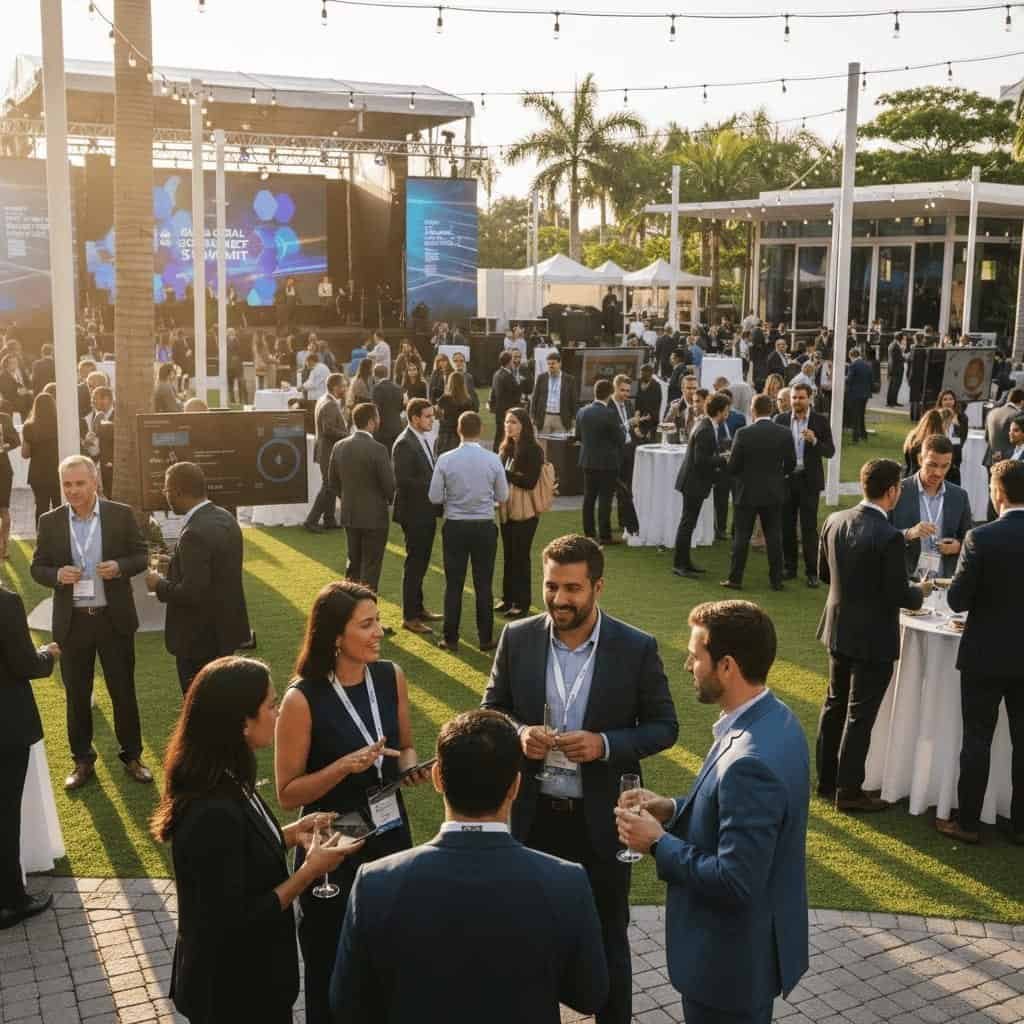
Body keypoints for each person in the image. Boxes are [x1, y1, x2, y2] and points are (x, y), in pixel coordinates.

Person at [481, 534, 678, 1024]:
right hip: (532, 820)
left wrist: (605, 744)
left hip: (601, 824)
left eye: (572, 588)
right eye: (551, 586)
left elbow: (664, 726)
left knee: (609, 936)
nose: (559, 599)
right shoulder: (518, 637)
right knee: (527, 940)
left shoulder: (635, 647)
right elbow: (492, 709)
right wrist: (520, 732)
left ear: (597, 587)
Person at [329, 709, 609, 1024]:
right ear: (515, 786)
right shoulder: (566, 881)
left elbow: (348, 1004)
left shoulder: (375, 882)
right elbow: (590, 995)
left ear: (437, 778)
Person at [615, 600, 809, 1024]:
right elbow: (732, 816)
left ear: (726, 666)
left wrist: (657, 843)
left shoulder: (749, 760)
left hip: (727, 967)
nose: (687, 664)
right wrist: (670, 809)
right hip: (747, 955)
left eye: (696, 655)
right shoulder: (776, 720)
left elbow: (736, 879)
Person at [152, 656, 360, 1024]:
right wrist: (310, 872)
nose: (278, 714)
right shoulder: (209, 808)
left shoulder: (228, 774)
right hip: (233, 994)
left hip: (251, 982)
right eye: (270, 705)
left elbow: (237, 853)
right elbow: (237, 919)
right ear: (240, 722)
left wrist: (291, 834)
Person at [274, 581, 432, 1024]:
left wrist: (411, 769)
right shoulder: (301, 698)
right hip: (333, 844)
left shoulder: (390, 675)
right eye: (367, 624)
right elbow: (287, 795)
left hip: (391, 830)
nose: (379, 631)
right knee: (331, 963)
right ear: (335, 636)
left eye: (378, 620)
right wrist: (343, 767)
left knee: (390, 952)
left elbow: (406, 746)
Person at [31, 455, 152, 790]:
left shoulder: (120, 514)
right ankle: (82, 760)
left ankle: (132, 756)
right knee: (77, 695)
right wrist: (56, 575)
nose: (73, 491)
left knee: (123, 692)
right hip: (74, 623)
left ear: (94, 481)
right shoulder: (50, 521)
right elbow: (37, 566)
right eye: (67, 485)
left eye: (79, 483)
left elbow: (141, 555)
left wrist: (120, 567)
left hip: (113, 620)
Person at [816, 459, 931, 811]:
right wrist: (921, 591)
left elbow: (823, 574)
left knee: (835, 704)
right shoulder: (889, 536)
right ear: (892, 490)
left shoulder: (834, 520)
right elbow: (900, 594)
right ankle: (848, 791)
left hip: (838, 628)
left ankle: (827, 780)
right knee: (859, 714)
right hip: (873, 636)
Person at [941, 459, 1024, 845]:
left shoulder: (981, 537)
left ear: (997, 493)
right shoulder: (981, 536)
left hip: (985, 655)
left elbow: (957, 600)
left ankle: (968, 822)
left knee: (977, 739)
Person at [146, 462, 251, 693]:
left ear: (178, 492)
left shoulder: (193, 533)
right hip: (226, 629)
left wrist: (159, 585)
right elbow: (217, 569)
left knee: (199, 706)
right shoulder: (225, 517)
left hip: (198, 639)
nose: (165, 496)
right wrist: (174, 564)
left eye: (166, 490)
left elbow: (192, 593)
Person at [0, 584, 60, 930]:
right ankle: (10, 900)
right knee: (5, 813)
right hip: (5, 725)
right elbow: (25, 664)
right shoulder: (5, 601)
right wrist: (48, 653)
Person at [429, 411, 508, 653]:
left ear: (458, 430)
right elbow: (503, 495)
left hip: (455, 524)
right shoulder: (493, 459)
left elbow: (433, 496)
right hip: (483, 525)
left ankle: (450, 637)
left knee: (454, 583)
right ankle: (485, 638)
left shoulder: (445, 459)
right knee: (483, 584)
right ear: (481, 430)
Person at [722, 394, 796, 592]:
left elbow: (733, 466)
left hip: (746, 492)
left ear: (753, 410)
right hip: (773, 492)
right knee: (774, 536)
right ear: (771, 410)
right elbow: (791, 464)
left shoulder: (743, 433)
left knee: (741, 537)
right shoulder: (784, 433)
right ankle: (776, 580)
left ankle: (735, 578)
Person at [330, 403, 395, 601]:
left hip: (350, 514)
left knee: (353, 565)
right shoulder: (378, 449)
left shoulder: (339, 446)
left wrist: (347, 498)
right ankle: (368, 618)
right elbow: (389, 485)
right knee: (371, 570)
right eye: (377, 418)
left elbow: (332, 482)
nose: (379, 421)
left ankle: (349, 615)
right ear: (371, 422)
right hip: (374, 517)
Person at [774, 383, 835, 588]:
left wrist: (815, 441)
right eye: (794, 398)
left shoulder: (820, 421)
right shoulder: (780, 420)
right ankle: (789, 567)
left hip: (809, 482)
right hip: (787, 480)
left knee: (809, 528)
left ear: (809, 399)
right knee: (786, 526)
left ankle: (812, 572)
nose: (796, 401)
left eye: (801, 398)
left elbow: (830, 451)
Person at [392, 398, 443, 635]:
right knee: (415, 562)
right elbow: (403, 481)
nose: (432, 420)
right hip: (414, 512)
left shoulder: (420, 438)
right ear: (415, 418)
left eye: (432, 416)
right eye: (428, 416)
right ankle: (410, 616)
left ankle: (418, 608)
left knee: (421, 561)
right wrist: (434, 484)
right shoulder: (404, 443)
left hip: (425, 510)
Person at [891, 434, 972, 579]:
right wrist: (909, 534)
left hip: (944, 582)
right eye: (932, 465)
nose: (938, 473)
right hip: (905, 582)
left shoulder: (959, 496)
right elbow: (880, 534)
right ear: (920, 460)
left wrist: (958, 546)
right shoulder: (898, 491)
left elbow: (969, 539)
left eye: (945, 466)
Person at [672, 393, 730, 578]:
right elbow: (701, 460)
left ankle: (685, 562)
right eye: (727, 410)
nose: (728, 413)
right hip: (694, 483)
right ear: (720, 411)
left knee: (689, 523)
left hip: (693, 482)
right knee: (687, 524)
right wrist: (723, 459)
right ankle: (679, 564)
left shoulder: (705, 425)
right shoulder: (706, 429)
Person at [496, 407, 545, 619]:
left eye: (514, 422)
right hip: (507, 507)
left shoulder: (534, 449)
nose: (509, 426)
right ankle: (507, 598)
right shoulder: (506, 447)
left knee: (521, 555)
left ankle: (521, 602)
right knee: (509, 554)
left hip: (526, 510)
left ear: (524, 425)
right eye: (507, 422)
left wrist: (505, 473)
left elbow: (530, 481)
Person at [576, 379, 625, 547]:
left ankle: (589, 534)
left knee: (589, 498)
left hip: (588, 461)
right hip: (607, 463)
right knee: (605, 499)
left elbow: (578, 436)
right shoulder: (610, 414)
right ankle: (605, 535)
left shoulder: (582, 412)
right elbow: (620, 439)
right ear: (610, 393)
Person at [305, 374, 349, 533]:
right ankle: (311, 521)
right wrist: (348, 436)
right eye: (343, 385)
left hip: (326, 451)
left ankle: (329, 520)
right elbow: (328, 430)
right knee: (329, 487)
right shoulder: (329, 404)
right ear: (335, 387)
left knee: (331, 486)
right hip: (328, 452)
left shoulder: (323, 400)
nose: (345, 388)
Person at [608, 374, 641, 539]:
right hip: (614, 451)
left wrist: (636, 431)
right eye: (622, 390)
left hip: (628, 449)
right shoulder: (607, 405)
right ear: (615, 388)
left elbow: (629, 428)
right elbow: (614, 429)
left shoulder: (628, 403)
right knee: (618, 489)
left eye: (628, 391)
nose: (626, 394)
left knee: (627, 487)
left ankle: (624, 522)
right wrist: (630, 423)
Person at [21, 391, 60, 522]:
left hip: (38, 474)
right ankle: (61, 539)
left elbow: (25, 454)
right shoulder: (60, 425)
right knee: (59, 507)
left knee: (41, 508)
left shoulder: (29, 427)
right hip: (57, 471)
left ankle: (41, 538)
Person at [530, 351, 576, 435]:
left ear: (560, 364)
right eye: (548, 364)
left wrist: (573, 418)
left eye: (553, 363)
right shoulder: (541, 378)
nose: (550, 366)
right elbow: (534, 398)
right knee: (543, 445)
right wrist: (532, 416)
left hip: (562, 418)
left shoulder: (569, 380)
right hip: (544, 418)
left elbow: (573, 400)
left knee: (560, 446)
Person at [435, 369, 475, 457]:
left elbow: (437, 414)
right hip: (460, 433)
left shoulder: (445, 398)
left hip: (445, 432)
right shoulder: (467, 400)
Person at [489, 350, 522, 452]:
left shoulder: (497, 374)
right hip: (507, 411)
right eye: (513, 360)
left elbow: (493, 393)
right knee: (504, 436)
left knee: (499, 435)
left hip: (499, 411)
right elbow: (514, 394)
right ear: (509, 362)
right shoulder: (507, 376)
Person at [935, 389, 968, 485]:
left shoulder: (962, 417)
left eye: (951, 399)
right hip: (939, 452)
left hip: (955, 453)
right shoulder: (936, 416)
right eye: (945, 399)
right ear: (940, 401)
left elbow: (963, 437)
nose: (948, 402)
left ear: (955, 401)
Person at [370, 364, 403, 455]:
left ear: (375, 375)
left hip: (383, 429)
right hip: (397, 426)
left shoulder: (377, 388)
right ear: (387, 374)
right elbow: (400, 407)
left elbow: (375, 409)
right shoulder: (398, 388)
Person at [0, 409, 20, 558]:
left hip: (2, 469)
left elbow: (16, 441)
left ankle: (4, 548)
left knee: (4, 509)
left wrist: (4, 446)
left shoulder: (5, 418)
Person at [845, 348, 872, 443]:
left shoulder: (853, 365)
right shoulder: (867, 364)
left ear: (851, 356)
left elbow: (849, 379)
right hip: (865, 393)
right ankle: (863, 435)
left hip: (855, 394)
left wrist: (843, 377)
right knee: (861, 415)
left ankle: (855, 438)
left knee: (855, 416)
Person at [887, 333, 905, 406]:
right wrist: (905, 358)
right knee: (894, 386)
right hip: (896, 369)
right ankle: (891, 402)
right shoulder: (895, 346)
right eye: (902, 338)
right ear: (900, 338)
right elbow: (897, 358)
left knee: (894, 386)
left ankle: (893, 401)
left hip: (894, 369)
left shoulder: (893, 344)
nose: (903, 340)